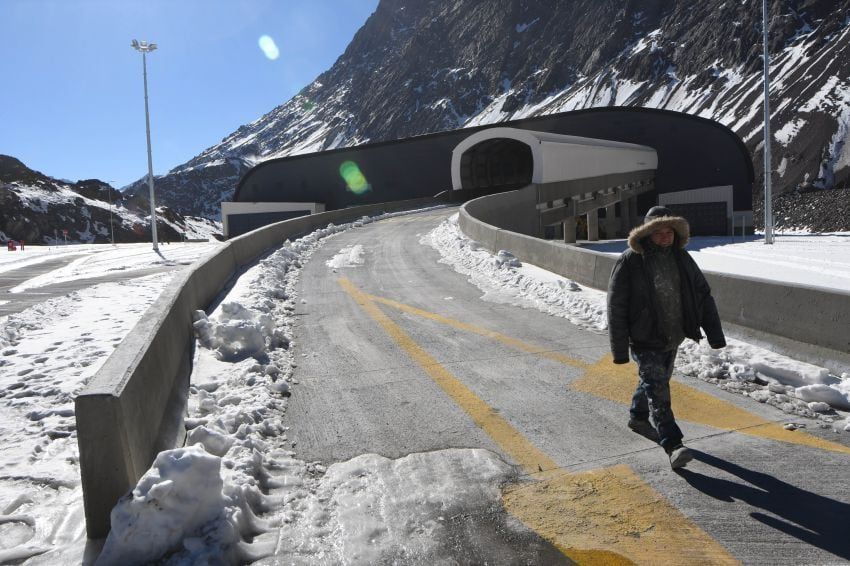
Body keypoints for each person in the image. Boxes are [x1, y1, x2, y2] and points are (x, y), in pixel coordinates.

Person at [607, 206, 726, 469]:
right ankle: (673, 444)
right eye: (657, 232)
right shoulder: (630, 261)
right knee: (659, 390)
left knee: (654, 383)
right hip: (643, 338)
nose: (664, 237)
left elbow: (703, 295)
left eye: (668, 232)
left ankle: (638, 417)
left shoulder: (682, 259)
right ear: (646, 234)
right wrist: (619, 349)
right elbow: (616, 305)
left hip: (673, 336)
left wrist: (715, 334)